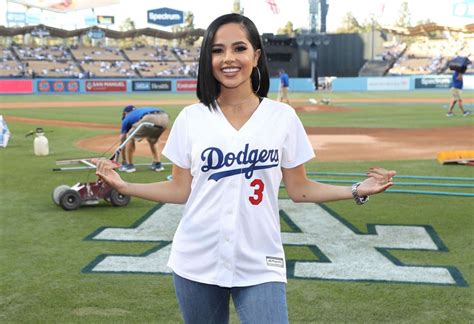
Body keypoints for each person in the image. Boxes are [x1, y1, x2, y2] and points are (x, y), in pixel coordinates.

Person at [94, 13, 396, 324]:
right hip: (196, 260)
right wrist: (125, 186)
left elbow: (300, 188)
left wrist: (357, 190)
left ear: (256, 55)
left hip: (260, 261)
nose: (228, 58)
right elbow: (179, 188)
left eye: (239, 48)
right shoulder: (191, 118)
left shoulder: (282, 117)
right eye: (217, 50)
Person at [119, 105, 169, 172]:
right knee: (152, 139)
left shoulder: (127, 118)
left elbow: (123, 139)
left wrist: (124, 160)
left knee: (130, 136)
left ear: (125, 113)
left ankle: (129, 165)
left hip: (149, 118)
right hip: (165, 117)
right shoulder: (138, 112)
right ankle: (157, 164)